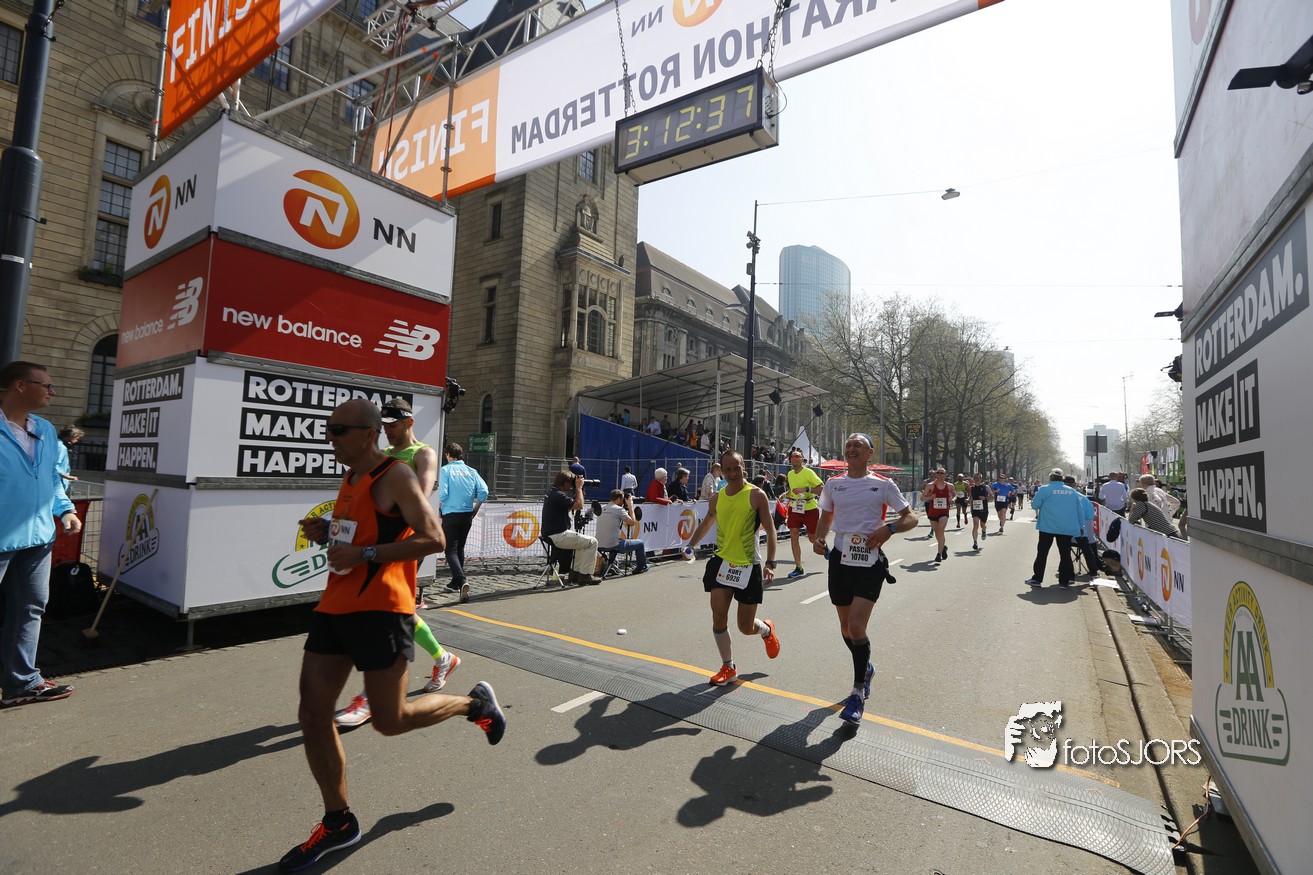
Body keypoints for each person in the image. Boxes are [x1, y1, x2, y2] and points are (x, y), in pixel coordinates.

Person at [284, 399, 504, 871]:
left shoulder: (396, 476)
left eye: (338, 430)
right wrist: (328, 531)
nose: (330, 438)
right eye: (328, 429)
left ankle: (473, 705)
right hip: (336, 606)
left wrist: (364, 554)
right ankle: (339, 821)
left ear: (367, 434)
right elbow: (359, 531)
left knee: (391, 720)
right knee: (312, 714)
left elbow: (434, 539)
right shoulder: (350, 477)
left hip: (381, 610)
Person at [332, 402, 467, 728]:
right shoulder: (382, 456)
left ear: (408, 422)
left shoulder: (423, 453)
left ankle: (370, 696)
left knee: (381, 614)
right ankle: (443, 658)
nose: (388, 431)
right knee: (400, 612)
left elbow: (419, 495)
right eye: (384, 425)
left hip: (403, 543)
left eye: (393, 425)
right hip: (374, 543)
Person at [809, 433, 916, 726]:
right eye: (848, 445)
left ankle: (857, 694)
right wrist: (819, 538)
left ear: (870, 453)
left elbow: (910, 517)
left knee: (856, 626)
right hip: (840, 560)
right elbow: (826, 516)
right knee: (846, 628)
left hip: (869, 562)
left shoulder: (883, 485)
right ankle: (866, 667)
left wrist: (889, 529)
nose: (851, 448)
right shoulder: (833, 484)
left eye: (858, 445)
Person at [1, 361, 81, 708]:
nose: (52, 391)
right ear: (19, 386)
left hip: (38, 538)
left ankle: (22, 683)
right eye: (45, 385)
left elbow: (53, 477)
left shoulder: (45, 429)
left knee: (30, 609)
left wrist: (65, 510)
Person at [683, 449, 780, 686]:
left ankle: (766, 630)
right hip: (722, 562)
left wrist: (770, 563)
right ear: (722, 472)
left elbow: (771, 530)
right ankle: (728, 667)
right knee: (718, 617)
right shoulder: (717, 498)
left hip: (748, 565)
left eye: (737, 468)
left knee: (745, 627)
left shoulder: (756, 495)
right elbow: (707, 522)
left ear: (743, 467)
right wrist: (691, 545)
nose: (733, 473)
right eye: (728, 469)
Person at [436, 440, 488, 601]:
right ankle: (455, 583)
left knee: (450, 550)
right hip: (467, 514)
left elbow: (443, 494)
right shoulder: (471, 471)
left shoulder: (445, 470)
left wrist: (438, 508)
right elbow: (484, 491)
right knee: (460, 548)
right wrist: (476, 508)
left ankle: (462, 580)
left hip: (450, 514)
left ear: (448, 455)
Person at [1025, 468, 1086, 588]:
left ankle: (1037, 579)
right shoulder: (1072, 492)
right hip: (1066, 527)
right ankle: (1064, 582)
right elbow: (1079, 510)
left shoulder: (1044, 489)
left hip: (1047, 526)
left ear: (1051, 477)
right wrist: (1081, 526)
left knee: (1042, 553)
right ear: (1062, 478)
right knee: (1065, 554)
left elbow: (1035, 505)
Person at [542, 470, 601, 585]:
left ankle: (575, 574)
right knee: (593, 542)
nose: (570, 487)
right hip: (558, 535)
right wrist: (579, 488)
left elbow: (567, 507)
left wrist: (577, 495)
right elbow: (579, 506)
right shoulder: (558, 495)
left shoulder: (552, 493)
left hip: (551, 534)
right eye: (570, 483)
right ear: (565, 483)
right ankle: (585, 575)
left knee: (582, 544)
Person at [783, 449, 824, 579]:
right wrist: (785, 494)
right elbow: (792, 490)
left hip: (809, 507)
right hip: (795, 507)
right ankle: (798, 567)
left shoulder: (809, 472)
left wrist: (806, 489)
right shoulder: (790, 474)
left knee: (812, 538)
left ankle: (826, 549)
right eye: (792, 457)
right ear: (790, 460)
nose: (795, 458)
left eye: (797, 456)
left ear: (802, 459)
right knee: (793, 535)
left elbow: (822, 489)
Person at [596, 489, 649, 574]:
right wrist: (630, 506)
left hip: (599, 544)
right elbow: (632, 522)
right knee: (640, 543)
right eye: (623, 499)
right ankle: (641, 567)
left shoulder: (603, 508)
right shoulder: (618, 509)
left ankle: (612, 565)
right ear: (618, 499)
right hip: (614, 545)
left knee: (616, 538)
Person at [924, 467, 954, 562]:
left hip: (944, 512)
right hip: (933, 512)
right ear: (936, 474)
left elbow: (954, 494)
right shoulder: (930, 486)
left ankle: (938, 554)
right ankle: (943, 547)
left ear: (946, 475)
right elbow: (922, 498)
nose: (940, 474)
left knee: (941, 531)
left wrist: (953, 499)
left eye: (942, 473)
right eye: (938, 473)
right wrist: (930, 497)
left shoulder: (950, 486)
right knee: (937, 533)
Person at [969, 473, 993, 550]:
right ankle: (975, 542)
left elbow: (992, 496)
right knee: (975, 525)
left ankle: (984, 530)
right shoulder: (972, 488)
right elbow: (971, 497)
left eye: (978, 478)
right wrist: (968, 500)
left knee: (982, 525)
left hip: (983, 510)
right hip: (975, 509)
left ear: (981, 479)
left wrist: (985, 498)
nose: (976, 479)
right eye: (975, 478)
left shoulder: (985, 487)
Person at [56, 423, 83, 488]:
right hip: (57, 484)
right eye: (76, 438)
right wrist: (68, 477)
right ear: (71, 436)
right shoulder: (61, 447)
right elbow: (54, 466)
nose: (76, 441)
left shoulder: (57, 444)